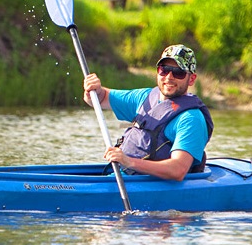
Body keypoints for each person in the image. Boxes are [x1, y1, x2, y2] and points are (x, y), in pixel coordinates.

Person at [83, 44, 214, 181]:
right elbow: (101, 98)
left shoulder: (191, 119)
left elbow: (178, 170)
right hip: (121, 176)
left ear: (191, 79)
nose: (169, 77)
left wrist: (129, 161)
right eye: (164, 70)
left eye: (178, 72)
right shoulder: (145, 97)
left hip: (149, 186)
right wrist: (93, 90)